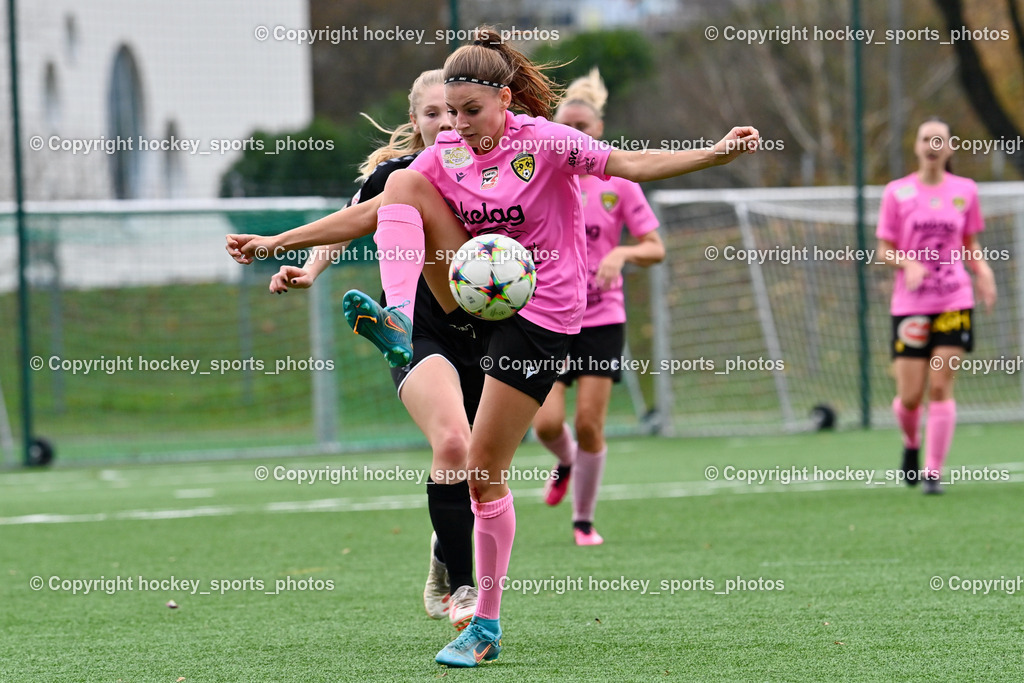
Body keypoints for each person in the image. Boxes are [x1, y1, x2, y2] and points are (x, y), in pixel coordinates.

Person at [228, 27, 758, 667]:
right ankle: (401, 320)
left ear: (505, 99)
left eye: (470, 111)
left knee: (482, 473)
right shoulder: (446, 152)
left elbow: (632, 163)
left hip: (544, 318)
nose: (457, 124)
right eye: (449, 112)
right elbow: (370, 213)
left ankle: (484, 620)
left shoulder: (549, 142)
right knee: (401, 186)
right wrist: (274, 243)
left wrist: (714, 154)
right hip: (474, 300)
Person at [265, 70, 481, 630]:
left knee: (481, 468)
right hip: (414, 329)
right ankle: (464, 587)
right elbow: (350, 222)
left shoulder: (493, 171)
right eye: (431, 113)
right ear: (415, 122)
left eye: (453, 112)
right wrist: (309, 269)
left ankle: (443, 549)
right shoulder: (398, 176)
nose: (444, 123)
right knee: (453, 444)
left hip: (489, 328)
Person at [530, 68, 665, 546]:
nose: (575, 135)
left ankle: (583, 520)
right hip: (548, 314)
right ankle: (565, 461)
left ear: (598, 132)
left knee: (589, 423)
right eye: (567, 127)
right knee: (545, 422)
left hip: (602, 318)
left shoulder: (619, 184)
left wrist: (622, 252)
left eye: (583, 128)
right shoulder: (541, 177)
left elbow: (655, 246)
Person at [876, 117, 996, 495]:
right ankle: (911, 445)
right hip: (910, 304)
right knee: (910, 397)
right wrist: (908, 263)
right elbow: (885, 249)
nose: (932, 145)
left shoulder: (965, 191)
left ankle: (933, 473)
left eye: (939, 140)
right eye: (926, 139)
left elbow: (969, 244)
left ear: (949, 148)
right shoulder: (897, 193)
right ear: (916, 146)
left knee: (940, 388)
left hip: (953, 300)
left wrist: (983, 272)